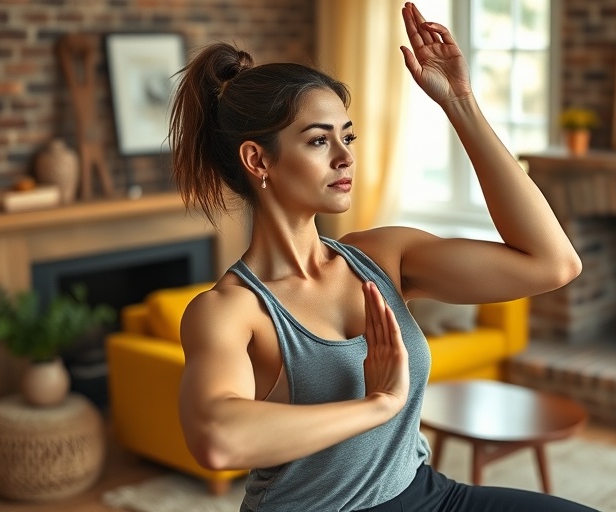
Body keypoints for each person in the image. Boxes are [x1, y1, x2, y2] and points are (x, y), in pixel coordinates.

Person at [170, 3, 591, 511]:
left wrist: (459, 103)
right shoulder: (229, 311)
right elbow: (218, 438)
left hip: (425, 495)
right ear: (259, 160)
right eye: (318, 140)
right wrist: (378, 405)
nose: (345, 155)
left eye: (347, 136)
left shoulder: (383, 256)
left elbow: (553, 264)